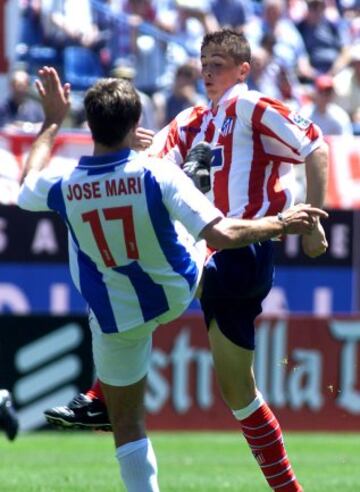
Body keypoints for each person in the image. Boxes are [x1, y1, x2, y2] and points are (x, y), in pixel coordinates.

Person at [44, 28, 329, 491]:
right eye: (204, 61)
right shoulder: (192, 120)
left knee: (127, 275)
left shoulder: (251, 106)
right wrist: (124, 144)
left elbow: (316, 145)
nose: (208, 70)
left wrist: (315, 219)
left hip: (242, 247)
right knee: (240, 395)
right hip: (212, 249)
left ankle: (101, 391)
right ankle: (290, 490)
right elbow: (151, 165)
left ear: (242, 69)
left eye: (219, 62)